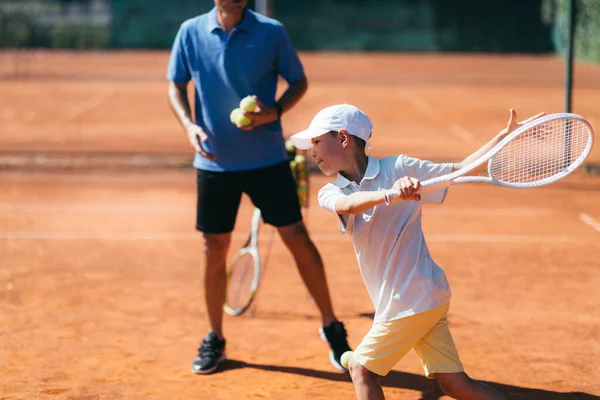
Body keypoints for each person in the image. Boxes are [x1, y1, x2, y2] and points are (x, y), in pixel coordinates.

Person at [290, 104, 544, 399]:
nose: (312, 150)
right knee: (456, 385)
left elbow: (460, 170)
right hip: (420, 299)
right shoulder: (332, 191)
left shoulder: (399, 167)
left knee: (361, 369)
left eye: (317, 141)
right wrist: (391, 194)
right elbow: (349, 205)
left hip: (412, 298)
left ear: (343, 138)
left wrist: (503, 137)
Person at [166, 1, 351, 375]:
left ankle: (332, 326)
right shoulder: (190, 31)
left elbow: (298, 82)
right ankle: (215, 337)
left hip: (267, 159)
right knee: (213, 246)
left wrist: (275, 111)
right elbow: (176, 84)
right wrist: (189, 126)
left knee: (297, 237)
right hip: (214, 162)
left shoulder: (271, 31)